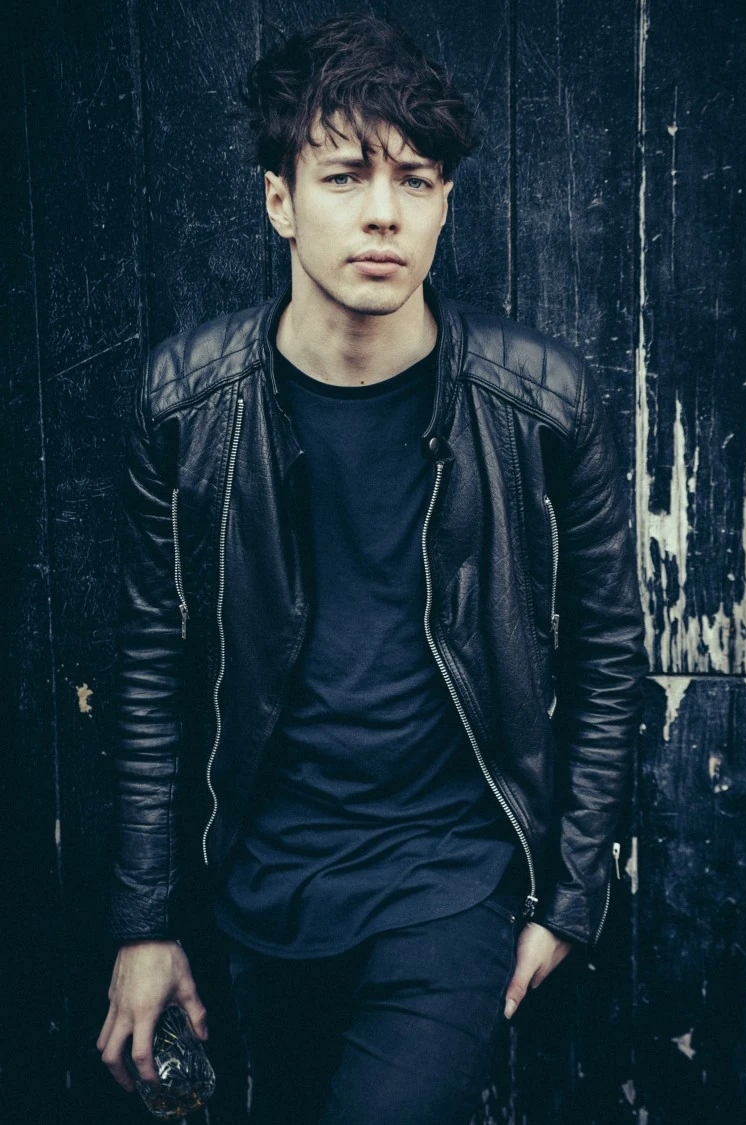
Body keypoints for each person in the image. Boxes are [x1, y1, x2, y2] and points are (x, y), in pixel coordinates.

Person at [97, 13, 648, 1124]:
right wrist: (144, 925)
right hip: (266, 894)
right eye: (345, 175)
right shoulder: (183, 404)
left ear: (446, 205)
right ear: (279, 200)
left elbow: (607, 654)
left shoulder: (542, 402)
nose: (384, 212)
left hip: (452, 886)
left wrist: (570, 899)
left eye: (417, 180)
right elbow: (149, 670)